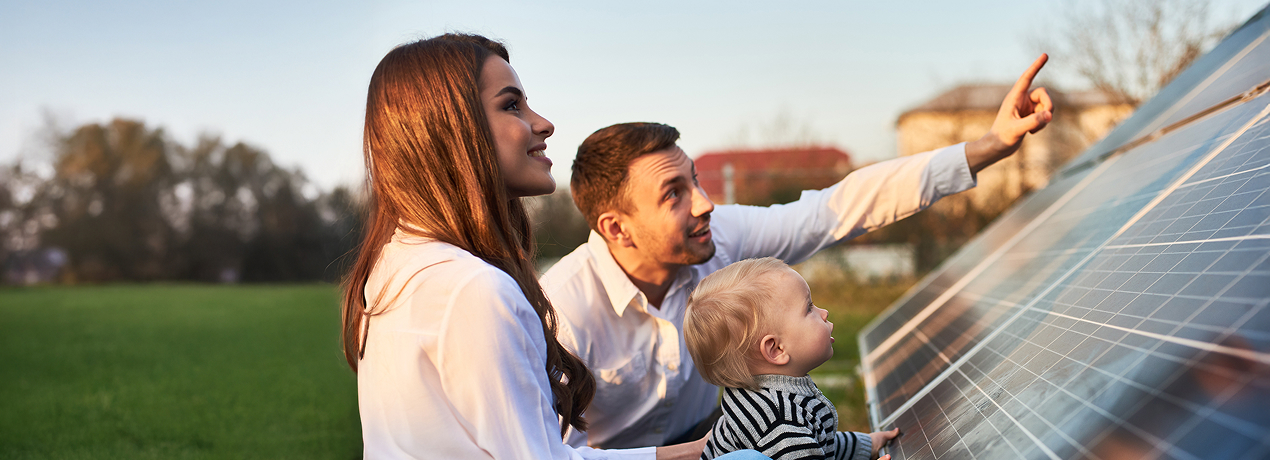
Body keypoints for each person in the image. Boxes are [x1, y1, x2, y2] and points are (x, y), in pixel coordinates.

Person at [541, 55, 1053, 449]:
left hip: (719, 440)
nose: (705, 202)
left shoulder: (718, 237)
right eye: (673, 193)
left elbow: (838, 208)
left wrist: (988, 146)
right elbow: (546, 452)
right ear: (617, 227)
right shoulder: (561, 311)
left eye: (694, 179)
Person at [340, 33, 768, 460]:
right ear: (452, 131)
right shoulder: (473, 290)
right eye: (511, 105)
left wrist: (691, 453)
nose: (543, 123)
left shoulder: (396, 262)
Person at [684, 257, 899, 460]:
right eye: (809, 308)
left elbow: (818, 441)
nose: (824, 312)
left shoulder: (771, 395)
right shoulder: (780, 424)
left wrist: (866, 444)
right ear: (776, 349)